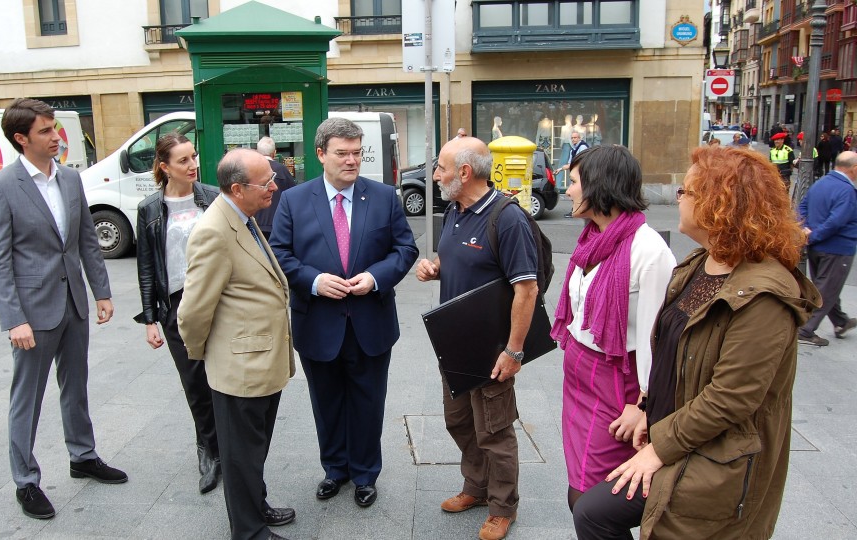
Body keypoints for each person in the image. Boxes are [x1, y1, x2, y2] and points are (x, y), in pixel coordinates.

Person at [572, 145, 819, 540]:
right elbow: (672, 353)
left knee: (603, 514)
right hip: (679, 436)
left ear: (719, 203)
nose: (678, 199)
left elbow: (732, 397)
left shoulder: (765, 294)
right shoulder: (699, 264)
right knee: (592, 511)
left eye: (686, 192)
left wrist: (659, 449)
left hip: (720, 457)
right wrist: (645, 405)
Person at [0, 98, 127, 520]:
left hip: (73, 303)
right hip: (32, 312)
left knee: (75, 384)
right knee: (27, 397)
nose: (56, 136)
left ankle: (83, 455)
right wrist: (14, 320)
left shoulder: (69, 179)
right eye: (45, 130)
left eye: (54, 128)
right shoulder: (1, 187)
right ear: (22, 139)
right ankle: (25, 480)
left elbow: (85, 242)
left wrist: (101, 292)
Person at [270, 117, 418, 509]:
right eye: (342, 153)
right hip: (318, 321)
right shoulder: (294, 200)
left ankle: (366, 474)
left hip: (371, 321)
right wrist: (315, 281)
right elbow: (279, 255)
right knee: (327, 401)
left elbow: (405, 250)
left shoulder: (385, 197)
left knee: (368, 403)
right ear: (321, 154)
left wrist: (375, 277)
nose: (352, 161)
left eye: (357, 153)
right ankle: (335, 469)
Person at [415, 136, 539, 540]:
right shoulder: (455, 210)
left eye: (441, 168)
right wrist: (436, 268)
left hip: (491, 350)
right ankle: (477, 487)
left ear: (464, 173)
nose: (435, 175)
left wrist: (514, 351)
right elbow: (464, 261)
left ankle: (503, 507)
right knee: (459, 421)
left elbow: (527, 289)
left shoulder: (508, 218)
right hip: (455, 344)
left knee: (495, 431)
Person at [177, 148, 296, 540]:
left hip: (261, 360)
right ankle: (247, 531)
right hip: (239, 365)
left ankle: (255, 505)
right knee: (241, 454)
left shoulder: (243, 217)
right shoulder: (214, 230)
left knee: (253, 448)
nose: (274, 187)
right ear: (236, 188)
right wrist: (206, 357)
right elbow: (193, 312)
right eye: (265, 183)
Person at [551, 146, 675, 511]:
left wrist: (643, 405)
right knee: (579, 479)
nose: (568, 190)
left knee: (594, 492)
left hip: (617, 382)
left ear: (598, 186)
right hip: (579, 375)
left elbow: (661, 339)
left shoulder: (649, 251)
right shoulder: (592, 237)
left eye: (573, 182)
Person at [133, 133, 221, 494]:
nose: (192, 164)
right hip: (175, 306)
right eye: (183, 160)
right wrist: (150, 318)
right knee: (196, 384)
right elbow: (146, 268)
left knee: (224, 380)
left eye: (193, 156)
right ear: (164, 166)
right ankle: (208, 450)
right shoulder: (150, 208)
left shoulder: (214, 197)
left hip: (217, 301)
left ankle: (231, 449)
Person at [797, 151, 857, 346]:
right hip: (837, 248)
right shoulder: (847, 190)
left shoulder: (820, 183)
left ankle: (840, 321)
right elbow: (836, 221)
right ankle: (805, 330)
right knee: (826, 290)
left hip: (816, 247)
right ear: (854, 169)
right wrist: (814, 234)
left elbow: (802, 207)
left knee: (826, 286)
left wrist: (805, 231)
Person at [254, 136, 297, 238]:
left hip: (255, 222)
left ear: (257, 152)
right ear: (274, 153)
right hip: (276, 222)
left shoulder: (252, 169)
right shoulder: (281, 169)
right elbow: (293, 194)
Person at [555, 131, 590, 217]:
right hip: (577, 175)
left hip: (583, 174)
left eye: (575, 138)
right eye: (572, 138)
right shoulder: (573, 149)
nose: (573, 139)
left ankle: (578, 211)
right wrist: (559, 169)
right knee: (578, 193)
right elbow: (570, 164)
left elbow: (582, 161)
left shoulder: (582, 147)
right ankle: (577, 210)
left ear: (579, 138)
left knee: (579, 193)